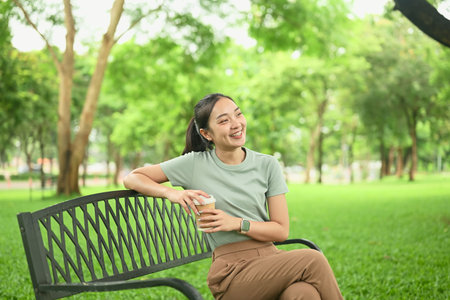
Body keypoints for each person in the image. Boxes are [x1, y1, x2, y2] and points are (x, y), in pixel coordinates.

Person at [123, 93, 344, 300]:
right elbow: (133, 177)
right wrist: (170, 193)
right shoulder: (194, 164)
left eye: (238, 114)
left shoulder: (267, 164)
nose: (236, 123)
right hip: (232, 273)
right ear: (206, 134)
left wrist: (236, 223)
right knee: (312, 259)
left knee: (303, 293)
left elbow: (281, 230)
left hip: (271, 260)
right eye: (223, 121)